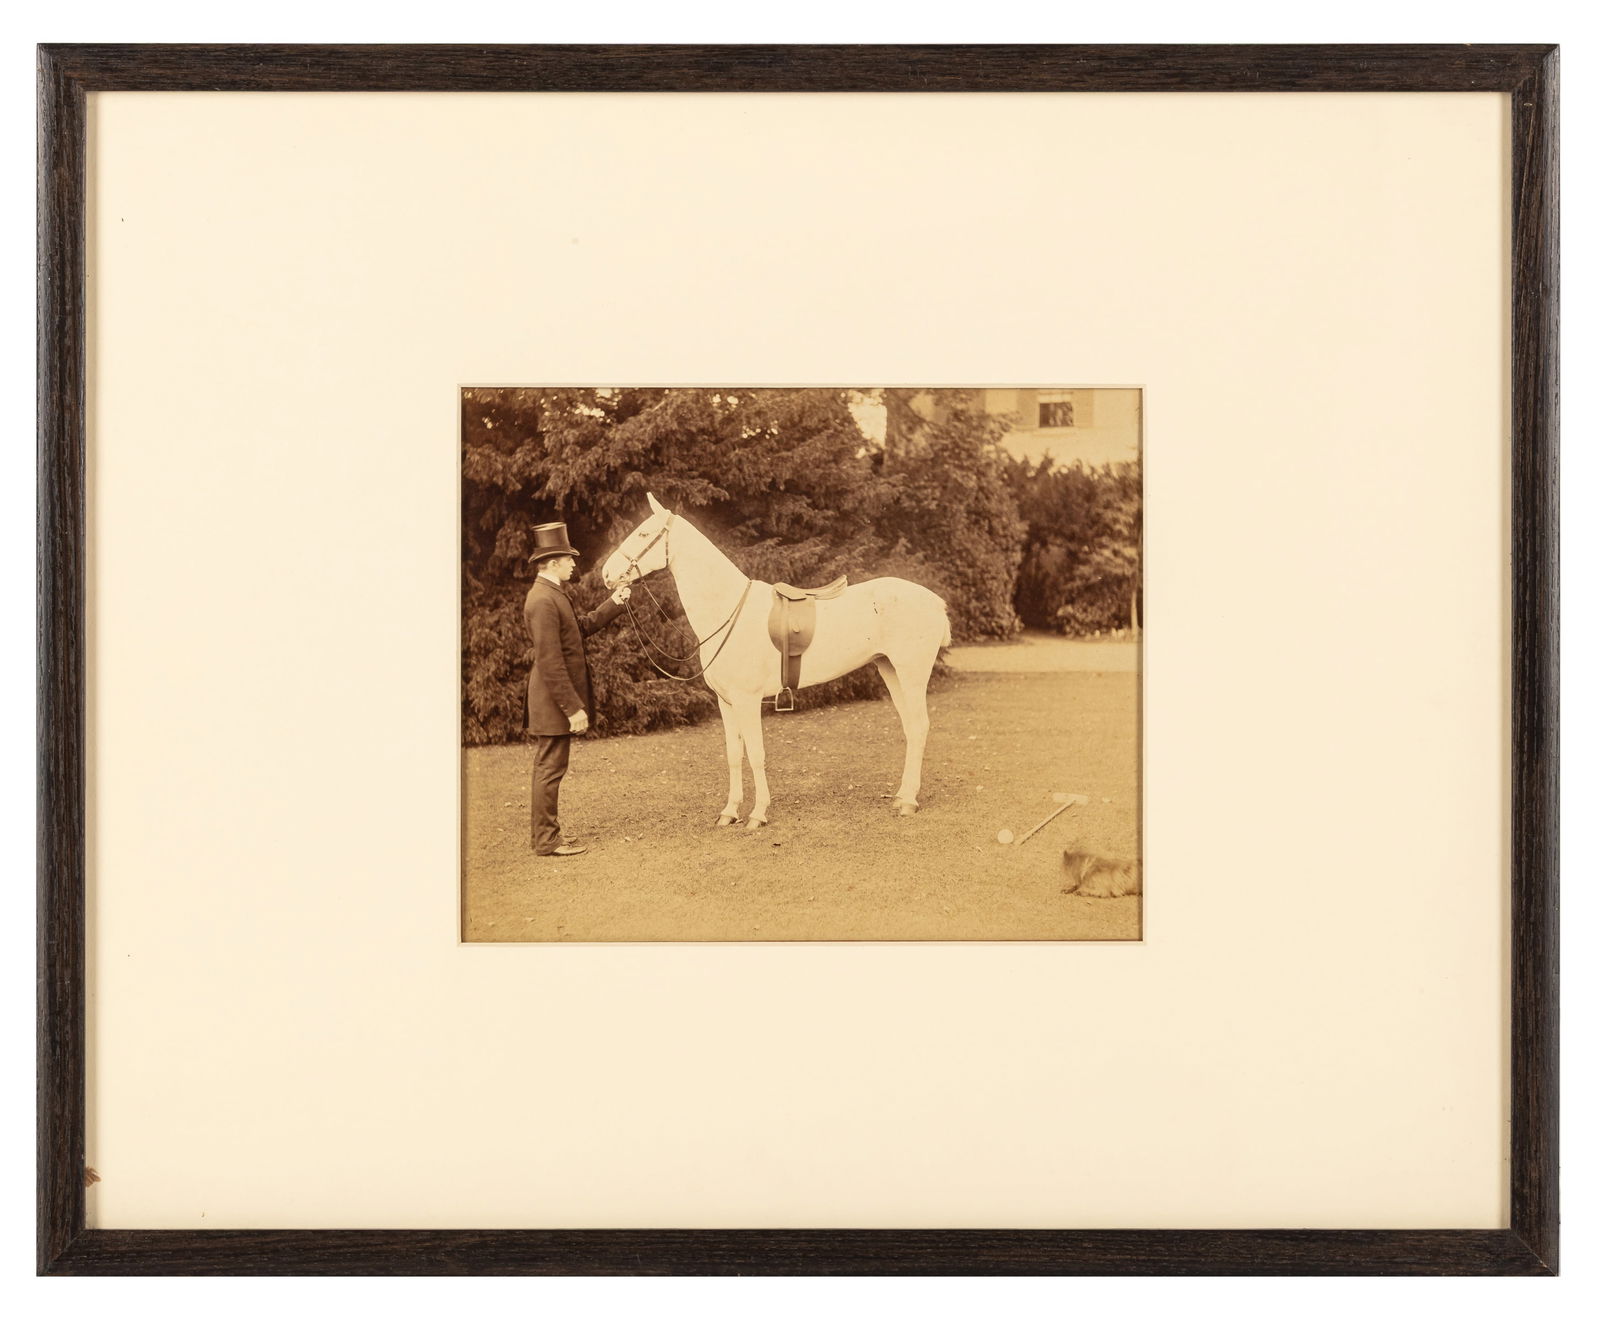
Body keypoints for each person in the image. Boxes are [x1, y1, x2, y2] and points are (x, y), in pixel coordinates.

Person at [523, 521, 631, 857]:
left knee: (552, 767)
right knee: (549, 768)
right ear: (553, 562)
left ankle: (549, 835)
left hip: (553, 700)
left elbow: (580, 629)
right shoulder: (542, 600)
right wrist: (573, 708)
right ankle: (546, 841)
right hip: (552, 700)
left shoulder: (552, 594)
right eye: (568, 559)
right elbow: (550, 661)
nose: (573, 563)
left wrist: (615, 602)